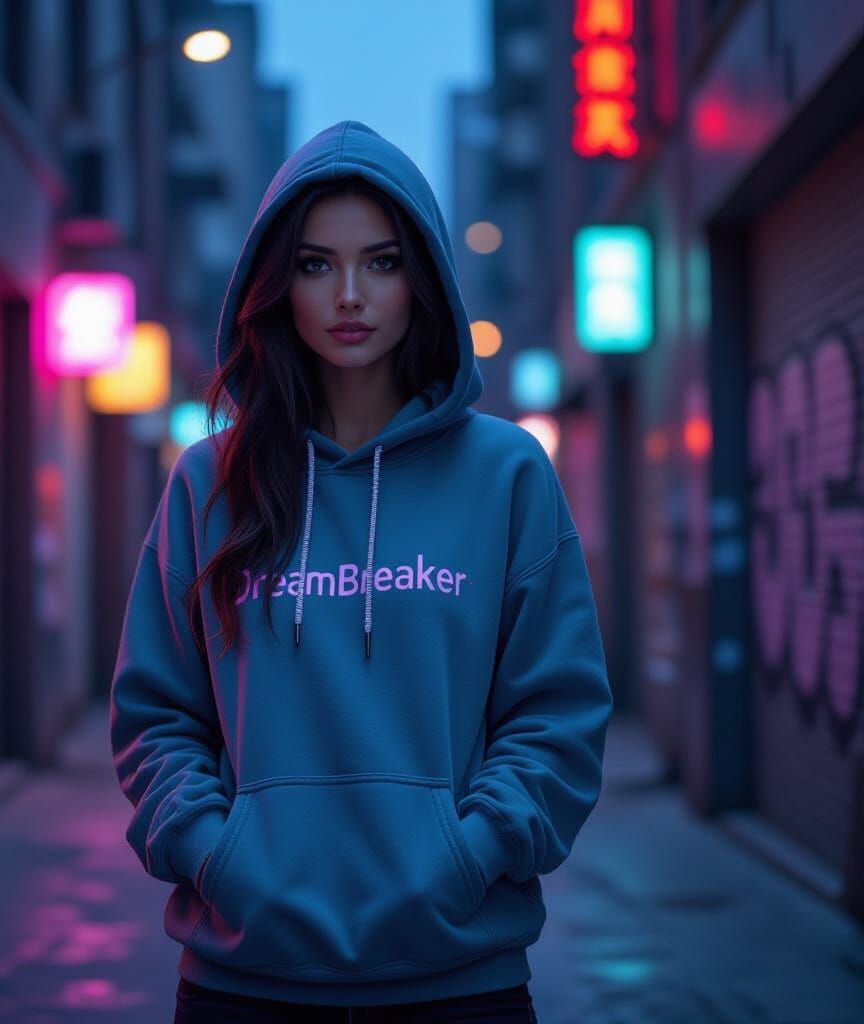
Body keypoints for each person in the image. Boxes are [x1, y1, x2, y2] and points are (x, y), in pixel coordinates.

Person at [109, 119, 614, 1023]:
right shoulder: (207, 482)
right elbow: (155, 713)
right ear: (277, 284)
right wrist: (217, 854)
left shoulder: (504, 474)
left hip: (460, 980)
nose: (350, 295)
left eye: (380, 263)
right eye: (315, 265)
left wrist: (469, 853)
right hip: (243, 981)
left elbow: (556, 710)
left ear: (422, 280)